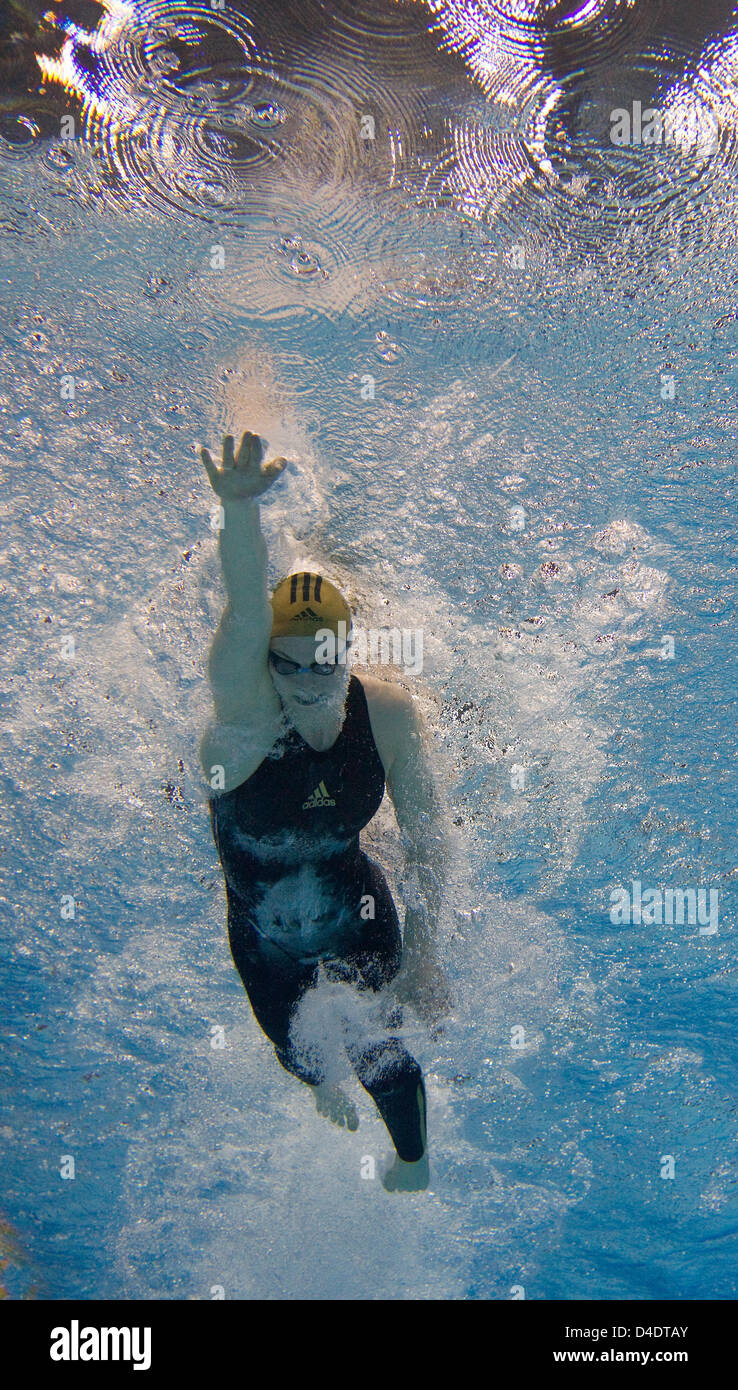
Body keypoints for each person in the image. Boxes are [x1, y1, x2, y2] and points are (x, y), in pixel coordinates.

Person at [199, 429, 451, 1192]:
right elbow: (246, 612)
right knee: (302, 1055)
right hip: (265, 936)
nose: (305, 680)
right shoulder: (243, 726)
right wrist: (239, 513)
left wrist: (430, 957)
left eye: (324, 662)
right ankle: (319, 1086)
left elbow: (432, 842)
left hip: (357, 906)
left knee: (384, 1047)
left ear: (350, 653)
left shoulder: (389, 717)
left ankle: (413, 1166)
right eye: (286, 663)